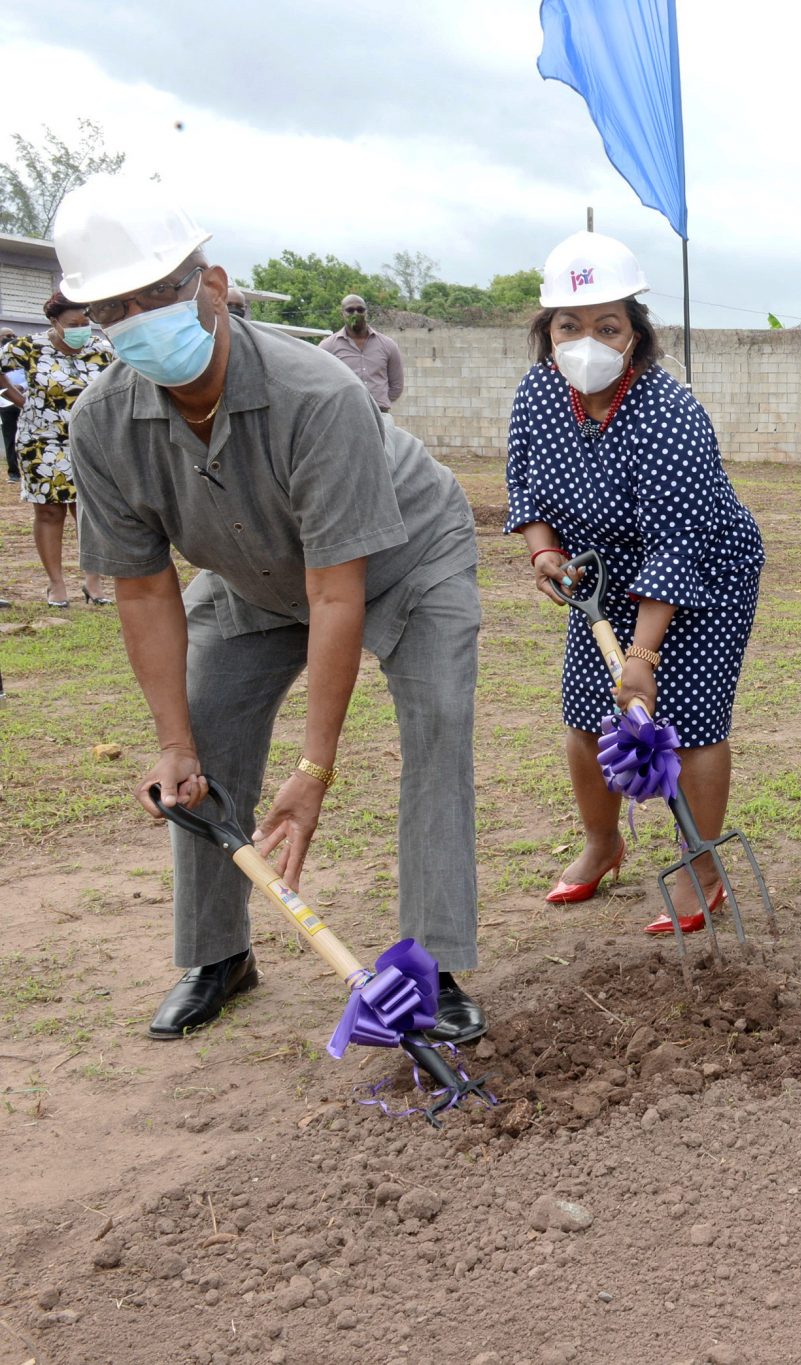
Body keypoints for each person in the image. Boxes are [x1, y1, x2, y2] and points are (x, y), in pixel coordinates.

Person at [53, 175, 486, 1043]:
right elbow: (142, 587)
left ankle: (431, 964)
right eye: (114, 308)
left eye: (157, 294)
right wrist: (173, 741)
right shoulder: (100, 423)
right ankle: (218, 955)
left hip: (403, 557)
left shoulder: (317, 394)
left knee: (435, 723)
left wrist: (316, 770)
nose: (139, 319)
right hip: (254, 579)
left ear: (212, 286)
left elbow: (337, 589)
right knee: (204, 741)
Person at [506, 231, 765, 934]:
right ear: (548, 331)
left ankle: (702, 863)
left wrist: (644, 658)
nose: (586, 339)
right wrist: (542, 555)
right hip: (600, 575)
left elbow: (677, 546)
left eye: (607, 325)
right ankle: (602, 841)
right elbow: (523, 488)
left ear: (635, 334)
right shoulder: (537, 395)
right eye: (569, 325)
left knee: (689, 723)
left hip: (703, 570)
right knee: (586, 716)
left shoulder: (668, 414)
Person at [0, 295, 116, 605]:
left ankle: (93, 583)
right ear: (55, 323)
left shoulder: (101, 350)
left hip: (91, 440)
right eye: (73, 325)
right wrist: (15, 397)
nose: (81, 329)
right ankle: (56, 584)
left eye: (85, 323)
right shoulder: (29, 347)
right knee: (50, 511)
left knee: (88, 512)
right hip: (42, 442)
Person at [319, 293, 405, 412]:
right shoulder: (328, 346)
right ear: (342, 314)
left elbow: (396, 386)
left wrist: (378, 403)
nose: (356, 314)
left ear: (366, 313)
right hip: (344, 412)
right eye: (350, 310)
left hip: (379, 414)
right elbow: (321, 382)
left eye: (360, 310)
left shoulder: (388, 345)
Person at [1, 326, 21, 482]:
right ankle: (14, 473)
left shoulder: (21, 353)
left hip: (24, 400)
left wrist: (23, 388)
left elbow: (30, 375)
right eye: (8, 335)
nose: (12, 337)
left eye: (13, 335)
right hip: (6, 402)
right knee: (10, 438)